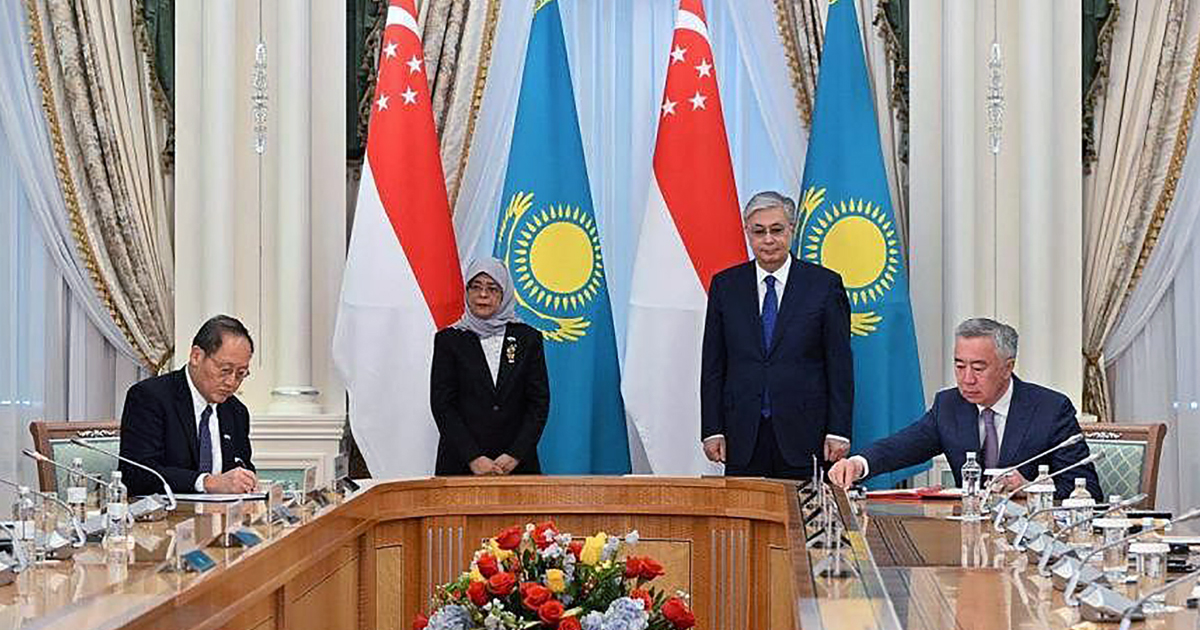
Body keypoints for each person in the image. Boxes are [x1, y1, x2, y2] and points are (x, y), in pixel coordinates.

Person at [828, 318, 1103, 500]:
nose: (967, 379)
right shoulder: (950, 406)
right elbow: (902, 446)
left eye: (978, 368)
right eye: (960, 366)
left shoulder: (1050, 410)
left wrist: (1031, 489)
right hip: (969, 542)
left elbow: (1088, 491)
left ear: (1008, 367)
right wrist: (858, 464)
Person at [700, 191, 854, 479]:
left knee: (803, 521)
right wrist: (712, 429)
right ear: (747, 233)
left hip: (806, 434)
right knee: (743, 521)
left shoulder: (824, 285)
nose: (768, 239)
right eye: (759, 231)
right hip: (743, 434)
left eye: (777, 230)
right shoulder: (725, 286)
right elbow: (713, 365)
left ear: (791, 230)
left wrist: (839, 430)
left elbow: (840, 365)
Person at [431, 258, 549, 475]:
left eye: (492, 288)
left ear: (504, 293)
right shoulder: (449, 340)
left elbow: (538, 403)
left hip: (516, 465)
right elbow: (442, 405)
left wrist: (515, 454)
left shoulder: (528, 338)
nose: (483, 295)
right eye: (475, 287)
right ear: (466, 292)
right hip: (461, 464)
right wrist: (473, 457)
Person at [118, 315, 257, 496]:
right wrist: (207, 482)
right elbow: (137, 474)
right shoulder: (150, 397)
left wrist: (247, 482)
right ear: (196, 356)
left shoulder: (236, 412)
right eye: (225, 370)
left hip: (222, 519)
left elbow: (241, 466)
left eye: (240, 374)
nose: (231, 382)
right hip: (167, 518)